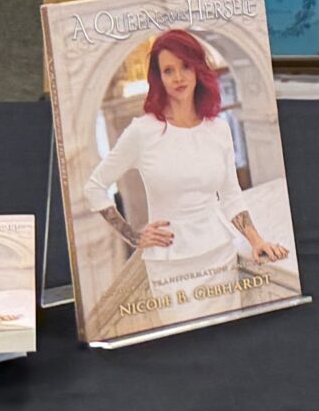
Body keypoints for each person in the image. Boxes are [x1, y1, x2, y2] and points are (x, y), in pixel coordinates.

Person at [85, 29, 292, 287]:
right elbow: (95, 186)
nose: (179, 77)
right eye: (168, 71)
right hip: (169, 265)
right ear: (159, 78)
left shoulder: (217, 128)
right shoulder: (143, 131)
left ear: (198, 69)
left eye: (185, 66)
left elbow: (230, 195)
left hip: (219, 256)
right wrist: (133, 236)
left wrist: (257, 241)